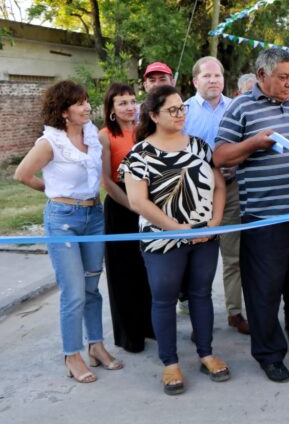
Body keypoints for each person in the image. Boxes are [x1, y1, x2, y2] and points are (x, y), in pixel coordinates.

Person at [214, 48, 289, 384]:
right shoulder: (240, 106)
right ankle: (269, 354)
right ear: (261, 74)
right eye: (282, 77)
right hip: (265, 218)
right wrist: (253, 144)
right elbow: (221, 155)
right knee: (265, 289)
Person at [123, 85, 230, 395]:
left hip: (205, 235)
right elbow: (138, 202)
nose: (180, 113)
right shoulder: (139, 153)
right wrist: (178, 229)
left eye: (182, 107)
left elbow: (219, 187)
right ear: (154, 115)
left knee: (201, 293)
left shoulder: (199, 146)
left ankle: (206, 354)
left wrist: (214, 222)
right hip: (162, 240)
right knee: (164, 298)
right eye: (172, 109)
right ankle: (169, 363)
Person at [14, 80, 122, 383]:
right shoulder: (50, 142)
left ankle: (96, 346)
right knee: (73, 293)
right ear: (63, 111)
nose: (87, 107)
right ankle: (71, 354)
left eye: (87, 101)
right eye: (79, 103)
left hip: (94, 216)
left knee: (91, 289)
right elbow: (22, 174)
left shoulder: (92, 135)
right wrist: (53, 192)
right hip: (63, 220)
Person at [183, 56, 249, 335]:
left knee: (233, 255)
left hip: (232, 189)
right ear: (195, 80)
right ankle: (200, 316)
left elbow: (247, 144)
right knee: (199, 257)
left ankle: (235, 312)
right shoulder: (182, 110)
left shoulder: (237, 108)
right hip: (195, 193)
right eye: (207, 76)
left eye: (218, 75)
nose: (213, 80)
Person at [98, 83, 154, 353]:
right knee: (124, 273)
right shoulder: (105, 136)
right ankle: (129, 335)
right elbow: (106, 181)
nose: (130, 106)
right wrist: (134, 205)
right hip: (121, 207)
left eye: (133, 100)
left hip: (148, 203)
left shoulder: (145, 130)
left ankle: (148, 325)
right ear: (110, 108)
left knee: (147, 270)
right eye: (122, 102)